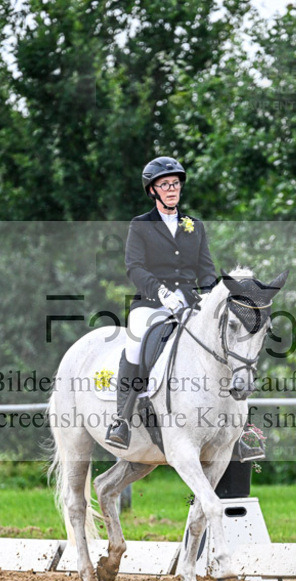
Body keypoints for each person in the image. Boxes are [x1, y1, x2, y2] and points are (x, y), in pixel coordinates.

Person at [105, 156, 217, 449]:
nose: (171, 189)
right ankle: (122, 419)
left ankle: (240, 428)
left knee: (221, 340)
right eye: (165, 185)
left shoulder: (194, 225)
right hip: (151, 303)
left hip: (190, 303)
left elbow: (206, 269)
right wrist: (161, 292)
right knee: (136, 343)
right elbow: (135, 267)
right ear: (152, 190)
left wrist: (209, 293)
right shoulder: (140, 225)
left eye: (175, 184)